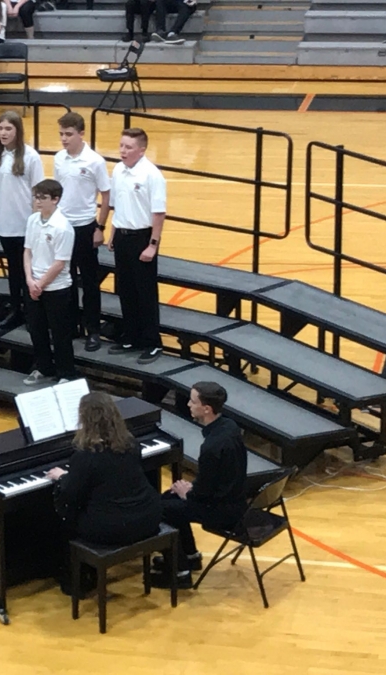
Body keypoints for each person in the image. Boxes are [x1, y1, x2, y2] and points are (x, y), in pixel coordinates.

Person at [44, 391, 162, 592]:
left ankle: (76, 582)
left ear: (84, 419)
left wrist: (61, 477)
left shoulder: (86, 456)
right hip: (147, 517)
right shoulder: (131, 443)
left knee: (60, 520)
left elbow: (70, 495)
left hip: (111, 528)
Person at [151, 381, 247, 589]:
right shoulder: (229, 426)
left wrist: (188, 493)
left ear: (207, 409)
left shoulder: (212, 446)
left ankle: (180, 572)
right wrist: (187, 491)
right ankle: (190, 555)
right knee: (169, 497)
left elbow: (204, 493)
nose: (188, 404)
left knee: (162, 508)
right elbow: (212, 483)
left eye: (193, 401)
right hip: (234, 501)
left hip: (222, 511)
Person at [106, 127, 165, 364]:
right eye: (121, 145)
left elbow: (158, 213)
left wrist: (153, 245)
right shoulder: (119, 170)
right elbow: (117, 205)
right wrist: (112, 233)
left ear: (141, 150)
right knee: (125, 289)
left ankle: (152, 342)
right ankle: (130, 336)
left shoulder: (152, 175)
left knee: (145, 292)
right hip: (122, 235)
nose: (123, 150)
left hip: (142, 238)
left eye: (128, 147)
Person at [53, 112, 110, 352]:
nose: (64, 139)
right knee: (65, 280)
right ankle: (71, 326)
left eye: (68, 134)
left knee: (89, 282)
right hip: (64, 227)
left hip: (86, 227)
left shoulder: (95, 161)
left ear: (81, 133)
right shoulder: (58, 159)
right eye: (61, 134)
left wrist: (100, 226)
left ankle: (93, 330)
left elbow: (106, 194)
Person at [0, 110, 44, 331]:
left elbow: (38, 192)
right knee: (13, 270)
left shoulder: (31, 156)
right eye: (0, 128)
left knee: (28, 269)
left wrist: (37, 221)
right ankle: (16, 311)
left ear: (17, 131)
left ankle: (32, 313)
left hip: (25, 224)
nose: (3, 132)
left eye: (8, 128)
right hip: (5, 225)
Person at [22, 179, 76, 385]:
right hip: (34, 285)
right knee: (36, 330)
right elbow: (27, 251)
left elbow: (59, 263)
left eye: (43, 198)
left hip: (56, 288)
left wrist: (40, 284)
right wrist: (29, 280)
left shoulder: (63, 227)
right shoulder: (33, 220)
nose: (38, 201)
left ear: (56, 199)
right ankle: (43, 367)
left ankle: (66, 373)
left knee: (60, 333)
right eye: (36, 196)